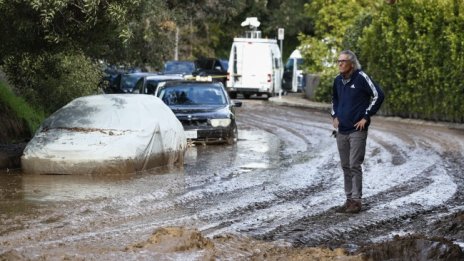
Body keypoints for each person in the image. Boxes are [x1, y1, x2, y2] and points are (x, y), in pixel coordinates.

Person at [331, 50, 384, 214]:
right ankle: (348, 200)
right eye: (338, 61)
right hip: (342, 130)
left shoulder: (361, 77)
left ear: (351, 64)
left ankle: (356, 201)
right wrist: (334, 115)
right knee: (345, 166)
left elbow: (378, 95)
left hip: (357, 130)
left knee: (354, 165)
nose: (340, 64)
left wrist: (366, 116)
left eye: (343, 61)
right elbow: (334, 99)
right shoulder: (338, 81)